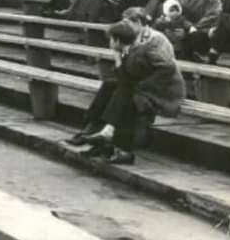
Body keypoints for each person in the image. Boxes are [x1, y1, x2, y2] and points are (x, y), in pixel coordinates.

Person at [67, 9, 185, 164]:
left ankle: (110, 137)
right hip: (143, 81)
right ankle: (94, 129)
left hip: (163, 88)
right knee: (110, 85)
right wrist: (118, 56)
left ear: (139, 23)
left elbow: (167, 69)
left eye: (128, 23)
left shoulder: (155, 40)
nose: (125, 26)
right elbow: (125, 73)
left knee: (126, 91)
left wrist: (141, 86)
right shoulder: (129, 38)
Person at [146, 0, 222, 61]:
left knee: (194, 36)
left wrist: (191, 29)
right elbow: (175, 11)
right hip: (183, 26)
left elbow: (214, 14)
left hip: (202, 30)